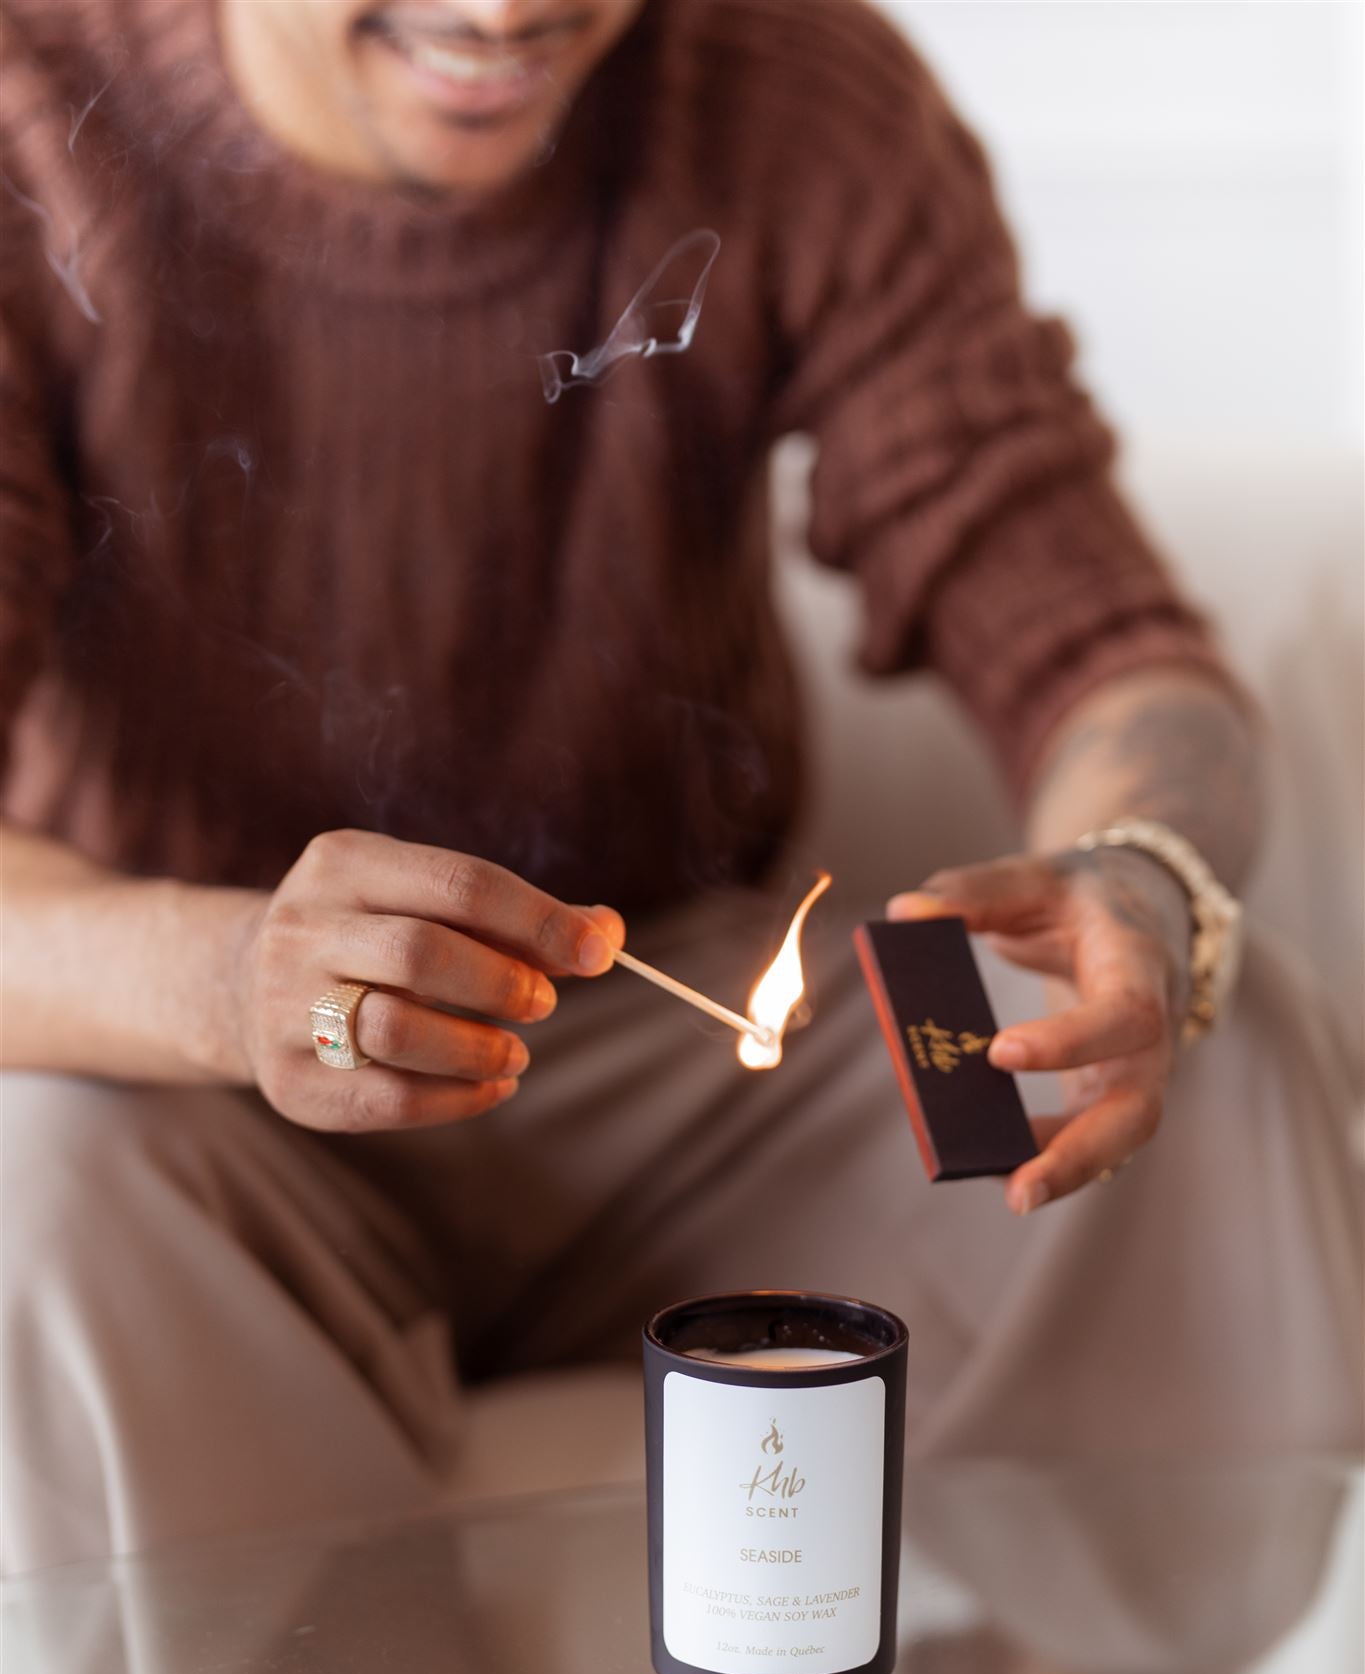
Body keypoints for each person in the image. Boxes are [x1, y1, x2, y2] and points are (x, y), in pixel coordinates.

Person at [2, 0, 1359, 1573]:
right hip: (199, 1087)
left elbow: (1097, 636)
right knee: (44, 1185)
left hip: (676, 1067)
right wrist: (235, 978)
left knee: (1199, 1040)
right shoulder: (37, 121)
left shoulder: (784, 90)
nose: (510, 13)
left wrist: (1140, 869)